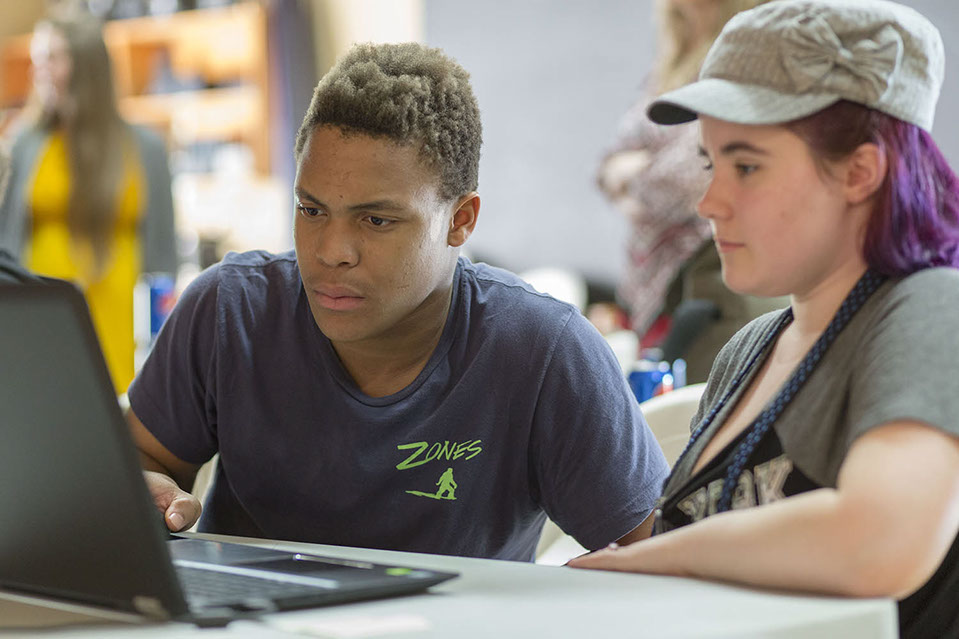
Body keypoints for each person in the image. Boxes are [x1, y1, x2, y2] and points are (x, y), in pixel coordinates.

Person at [127, 42, 670, 561]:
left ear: (460, 220)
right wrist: (140, 487)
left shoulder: (544, 353)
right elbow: (144, 457)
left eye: (376, 220)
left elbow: (664, 560)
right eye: (312, 210)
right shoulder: (230, 310)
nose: (331, 251)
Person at [570, 1, 959, 636]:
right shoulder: (749, 348)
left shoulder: (932, 308)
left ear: (861, 171)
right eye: (709, 162)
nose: (710, 202)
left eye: (746, 166)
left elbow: (878, 541)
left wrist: (652, 559)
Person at [596, 0, 785, 383]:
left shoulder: (746, 55)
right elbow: (607, 164)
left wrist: (629, 176)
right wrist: (628, 172)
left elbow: (686, 181)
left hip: (707, 275)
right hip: (653, 283)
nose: (714, 200)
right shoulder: (668, 63)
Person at [0, 13, 176, 392]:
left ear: (86, 64)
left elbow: (164, 260)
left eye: (52, 58)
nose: (39, 70)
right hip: (40, 331)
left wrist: (165, 350)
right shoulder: (24, 144)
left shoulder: (145, 149)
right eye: (37, 58)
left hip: (123, 337)